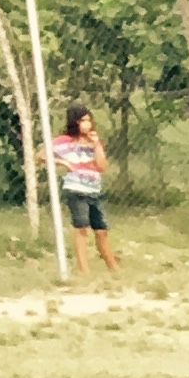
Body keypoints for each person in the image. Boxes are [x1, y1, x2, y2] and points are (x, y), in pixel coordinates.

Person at [52, 106, 123, 281]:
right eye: (83, 120)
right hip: (76, 189)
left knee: (101, 230)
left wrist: (96, 145)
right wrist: (63, 162)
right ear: (75, 122)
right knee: (81, 228)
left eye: (89, 120)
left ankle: (113, 267)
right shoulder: (64, 141)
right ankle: (84, 270)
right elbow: (41, 155)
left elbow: (102, 166)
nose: (87, 124)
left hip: (94, 190)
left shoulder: (93, 141)